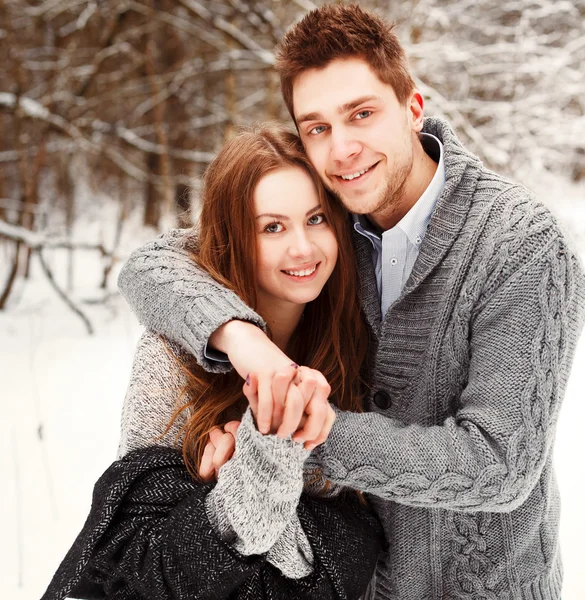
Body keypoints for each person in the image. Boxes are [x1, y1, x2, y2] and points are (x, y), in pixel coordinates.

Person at [117, 4, 585, 600]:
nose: (342, 149)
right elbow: (156, 263)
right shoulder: (330, 217)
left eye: (361, 114)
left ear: (413, 108)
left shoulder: (520, 247)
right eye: (317, 128)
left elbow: (496, 466)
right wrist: (242, 337)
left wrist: (295, 439)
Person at [41, 126, 384, 600]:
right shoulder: (172, 357)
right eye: (272, 227)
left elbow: (353, 555)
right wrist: (259, 470)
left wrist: (235, 483)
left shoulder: (357, 344)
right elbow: (145, 567)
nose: (303, 248)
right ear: (233, 237)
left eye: (317, 219)